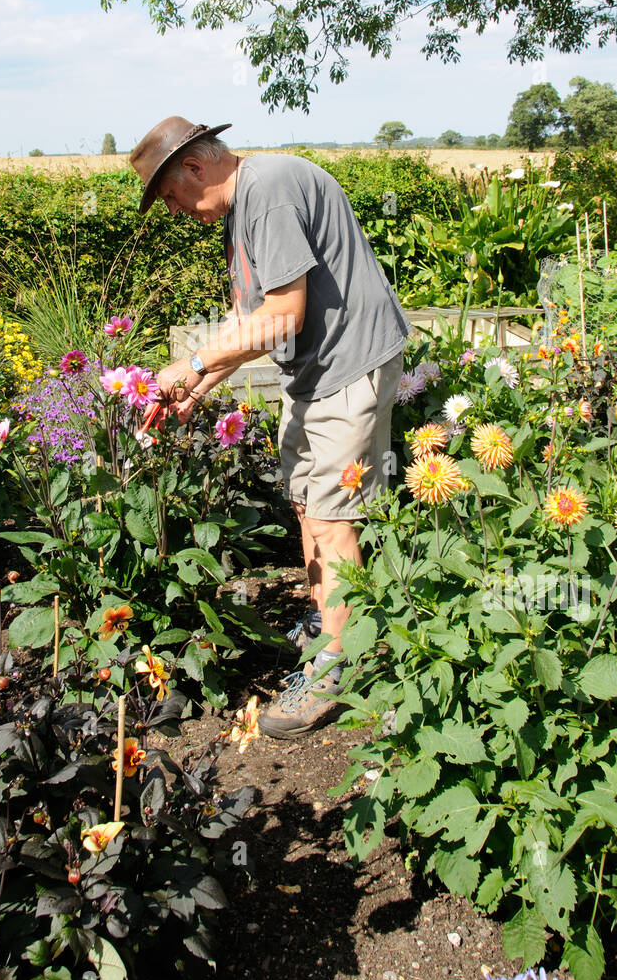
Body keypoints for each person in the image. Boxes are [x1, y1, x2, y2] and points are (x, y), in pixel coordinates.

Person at [130, 116, 411, 737]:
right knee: (308, 504)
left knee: (334, 516)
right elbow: (252, 323)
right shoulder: (242, 212)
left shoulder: (270, 191)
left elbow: (285, 313)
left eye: (172, 196)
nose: (176, 212)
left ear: (196, 169)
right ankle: (327, 623)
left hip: (349, 362)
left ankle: (338, 666)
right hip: (312, 371)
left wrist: (191, 361)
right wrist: (198, 387)